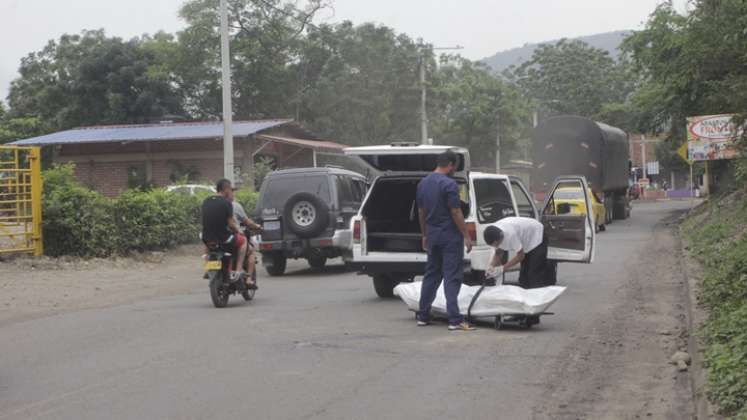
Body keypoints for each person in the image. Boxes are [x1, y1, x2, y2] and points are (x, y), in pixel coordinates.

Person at [415, 150, 475, 331]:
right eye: (454, 167)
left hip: (433, 236)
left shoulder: (423, 184)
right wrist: (466, 235)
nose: (454, 170)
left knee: (431, 275)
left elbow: (421, 212)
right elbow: (456, 212)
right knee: (452, 276)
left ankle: (423, 316)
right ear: (450, 165)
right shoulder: (449, 185)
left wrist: (424, 234)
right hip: (450, 237)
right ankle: (455, 320)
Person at [483, 217, 555, 290]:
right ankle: (525, 296)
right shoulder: (494, 232)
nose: (496, 246)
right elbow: (498, 252)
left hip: (537, 235)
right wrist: (491, 266)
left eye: (497, 244)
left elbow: (520, 256)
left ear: (501, 236)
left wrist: (502, 268)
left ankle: (538, 297)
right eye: (494, 245)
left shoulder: (510, 234)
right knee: (523, 276)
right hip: (525, 240)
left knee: (534, 274)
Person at [201, 179, 248, 284]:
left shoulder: (206, 201)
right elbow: (231, 224)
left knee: (208, 247)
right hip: (224, 239)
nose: (231, 192)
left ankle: (207, 269)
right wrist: (239, 231)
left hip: (207, 238)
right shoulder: (227, 203)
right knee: (243, 241)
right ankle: (238, 271)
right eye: (231, 189)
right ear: (226, 189)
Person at [231, 196, 262, 287]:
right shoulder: (235, 206)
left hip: (215, 239)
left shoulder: (212, 206)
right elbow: (247, 222)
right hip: (231, 238)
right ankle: (248, 279)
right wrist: (257, 226)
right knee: (251, 251)